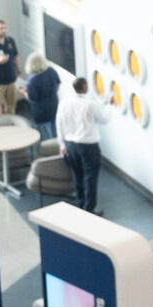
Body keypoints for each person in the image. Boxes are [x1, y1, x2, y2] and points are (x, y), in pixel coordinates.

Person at [56, 76, 111, 213]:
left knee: (77, 176)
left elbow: (59, 124)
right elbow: (104, 119)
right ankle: (89, 209)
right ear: (85, 87)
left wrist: (62, 145)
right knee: (90, 178)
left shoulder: (64, 103)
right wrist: (110, 105)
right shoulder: (90, 104)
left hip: (70, 146)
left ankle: (80, 205)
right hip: (88, 147)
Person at [24, 54, 61, 142]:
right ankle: (57, 150)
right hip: (54, 106)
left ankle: (49, 153)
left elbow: (32, 98)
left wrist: (24, 92)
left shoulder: (32, 81)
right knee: (55, 129)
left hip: (41, 112)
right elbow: (58, 84)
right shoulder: (51, 71)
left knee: (46, 135)